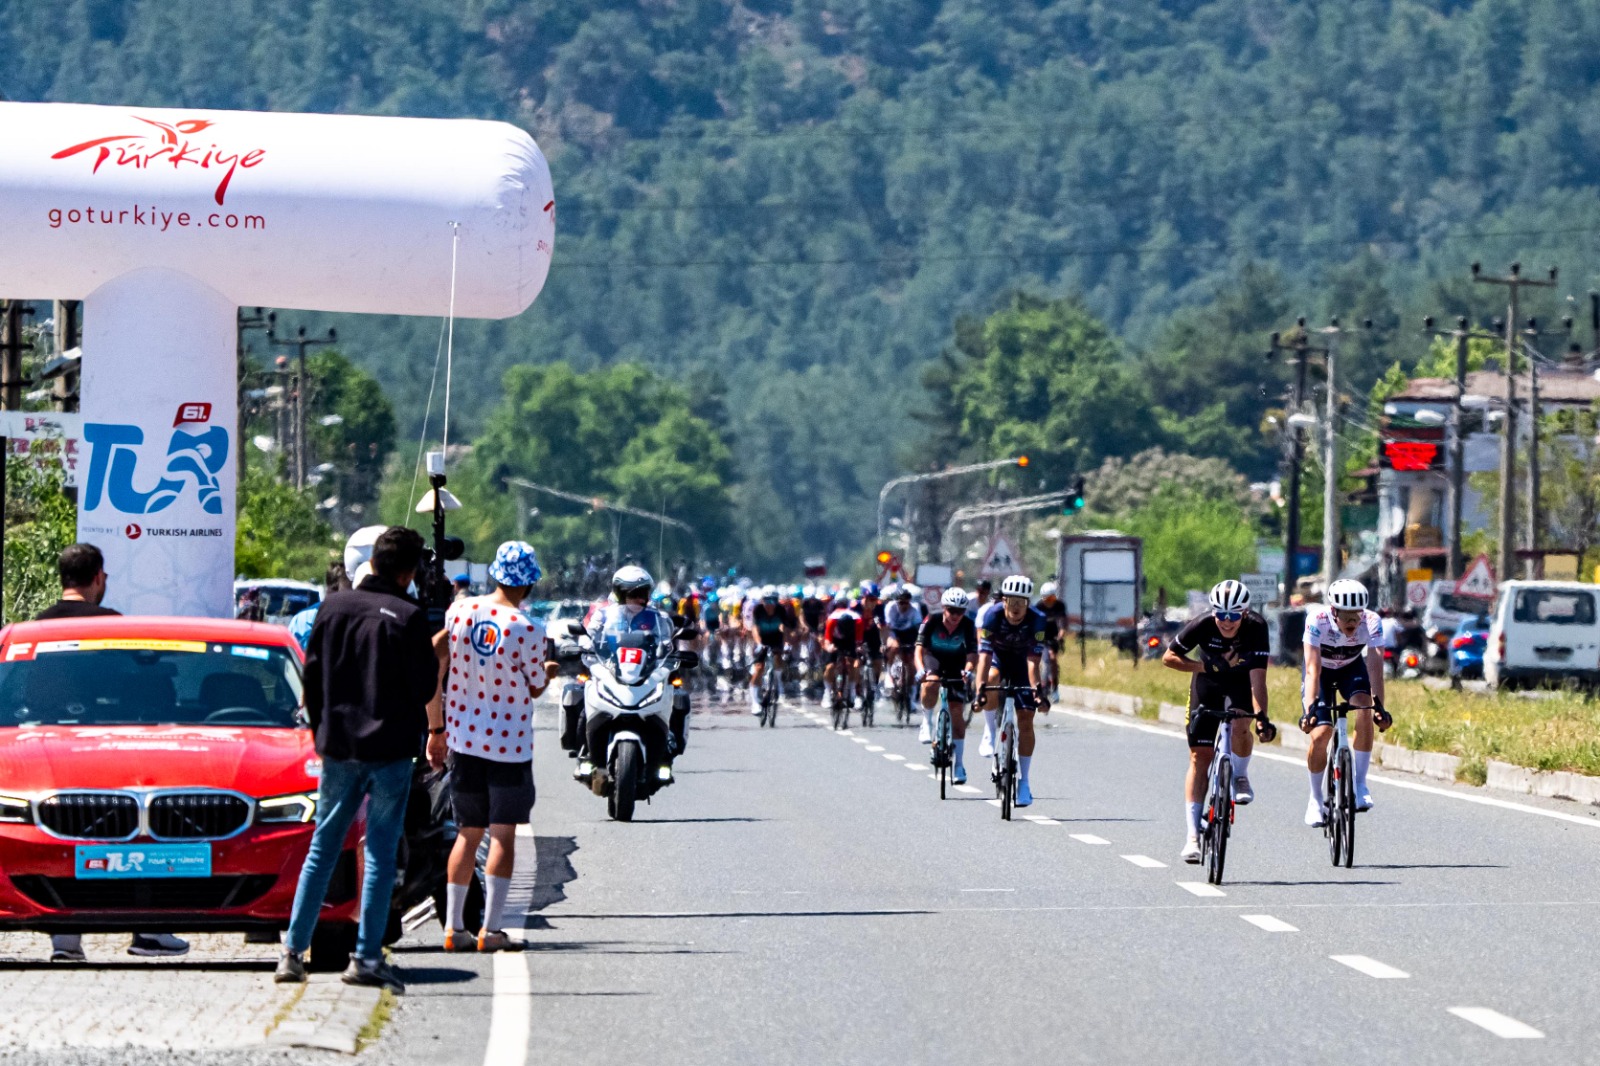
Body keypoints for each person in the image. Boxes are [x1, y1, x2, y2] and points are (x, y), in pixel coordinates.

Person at [277, 527, 438, 993]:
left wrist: (321, 731)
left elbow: (311, 677)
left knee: (322, 848)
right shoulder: (407, 616)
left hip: (339, 747)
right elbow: (424, 687)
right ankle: (366, 957)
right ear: (408, 572)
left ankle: (292, 951)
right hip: (389, 752)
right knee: (380, 854)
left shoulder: (332, 608)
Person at [36, 543, 190, 962]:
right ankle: (149, 929)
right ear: (98, 577)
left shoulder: (38, 627)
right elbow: (139, 687)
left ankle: (66, 941)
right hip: (113, 747)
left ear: (63, 577)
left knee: (66, 835)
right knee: (140, 834)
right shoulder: (113, 625)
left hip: (51, 750)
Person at [431, 542, 549, 953]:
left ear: (496, 575)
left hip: (463, 741)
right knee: (502, 836)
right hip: (509, 748)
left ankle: (453, 927)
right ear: (530, 582)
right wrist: (548, 672)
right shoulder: (528, 628)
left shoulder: (460, 611)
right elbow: (534, 685)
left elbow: (441, 653)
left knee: (467, 833)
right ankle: (491, 929)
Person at [1162, 579, 1274, 864]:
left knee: (1241, 725)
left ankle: (1239, 774)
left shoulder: (1257, 628)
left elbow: (1258, 679)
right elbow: (1169, 657)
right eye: (1221, 615)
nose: (1226, 622)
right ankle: (1192, 837)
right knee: (1200, 757)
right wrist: (1204, 665)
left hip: (1240, 683)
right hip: (1207, 681)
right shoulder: (1202, 625)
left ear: (1244, 614)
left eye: (1233, 616)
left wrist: (1262, 717)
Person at [1301, 579, 1392, 825]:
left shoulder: (1372, 622)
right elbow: (1311, 669)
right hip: (1321, 672)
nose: (1353, 622)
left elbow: (1375, 668)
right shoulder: (1316, 620)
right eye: (1347, 617)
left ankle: (1360, 784)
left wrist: (1379, 707)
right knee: (1321, 734)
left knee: (1364, 706)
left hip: (1351, 669)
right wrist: (1309, 709)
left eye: (1357, 616)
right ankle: (1316, 799)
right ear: (1333, 612)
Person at [578, 566, 681, 776]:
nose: (637, 599)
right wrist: (584, 645)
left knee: (677, 695)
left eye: (641, 593)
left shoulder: (658, 618)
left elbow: (667, 643)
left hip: (644, 672)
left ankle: (667, 745)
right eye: (631, 594)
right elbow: (588, 636)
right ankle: (584, 748)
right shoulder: (603, 615)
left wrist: (670, 653)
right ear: (619, 594)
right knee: (582, 694)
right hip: (611, 669)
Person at [974, 575, 1049, 807]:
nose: (1016, 607)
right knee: (992, 678)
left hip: (1023, 664)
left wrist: (1038, 691)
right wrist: (980, 690)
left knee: (1026, 720)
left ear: (1028, 603)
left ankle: (1024, 782)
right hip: (998, 659)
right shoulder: (991, 616)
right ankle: (990, 730)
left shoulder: (1038, 620)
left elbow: (1033, 663)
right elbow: (984, 659)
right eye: (1012, 601)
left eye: (1022, 602)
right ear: (1003, 601)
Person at [916, 588, 979, 780]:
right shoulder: (932, 620)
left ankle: (959, 766)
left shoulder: (968, 625)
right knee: (931, 683)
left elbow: (972, 654)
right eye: (952, 611)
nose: (955, 616)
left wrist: (968, 670)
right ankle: (926, 722)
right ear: (944, 608)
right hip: (934, 659)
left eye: (960, 612)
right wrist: (920, 669)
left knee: (957, 715)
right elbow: (919, 649)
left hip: (957, 664)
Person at [748, 587, 798, 714]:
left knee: (777, 658)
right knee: (759, 668)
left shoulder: (780, 610)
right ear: (762, 601)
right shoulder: (758, 610)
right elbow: (755, 629)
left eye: (773, 601)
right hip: (762, 638)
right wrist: (759, 644)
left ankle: (778, 683)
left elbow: (784, 627)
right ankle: (755, 702)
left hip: (776, 637)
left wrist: (786, 642)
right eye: (767, 601)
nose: (770, 604)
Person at [288, 562, 352, 650]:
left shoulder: (356, 621)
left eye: (342, 597)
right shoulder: (302, 620)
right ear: (327, 591)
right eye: (334, 595)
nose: (336, 602)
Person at [885, 586, 924, 720]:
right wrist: (890, 641)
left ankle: (912, 698)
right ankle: (889, 675)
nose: (903, 605)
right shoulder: (890, 607)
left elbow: (919, 629)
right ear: (896, 602)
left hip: (909, 633)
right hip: (895, 631)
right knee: (894, 647)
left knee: (911, 664)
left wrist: (918, 643)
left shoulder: (915, 610)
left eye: (906, 602)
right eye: (901, 602)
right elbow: (888, 627)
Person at [822, 596, 865, 705]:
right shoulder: (832, 620)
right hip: (836, 640)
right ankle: (827, 693)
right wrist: (830, 647)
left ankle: (852, 692)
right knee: (830, 666)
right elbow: (827, 640)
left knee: (854, 664)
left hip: (850, 639)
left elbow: (858, 642)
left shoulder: (858, 620)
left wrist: (858, 649)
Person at [1036, 581, 1068, 690]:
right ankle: (1041, 684)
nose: (1049, 603)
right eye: (1047, 599)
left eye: (1052, 599)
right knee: (1041, 659)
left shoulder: (1059, 606)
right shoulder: (1039, 607)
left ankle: (1055, 685)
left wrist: (1061, 636)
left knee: (1053, 658)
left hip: (1053, 635)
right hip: (1041, 634)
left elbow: (1063, 623)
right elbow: (1034, 625)